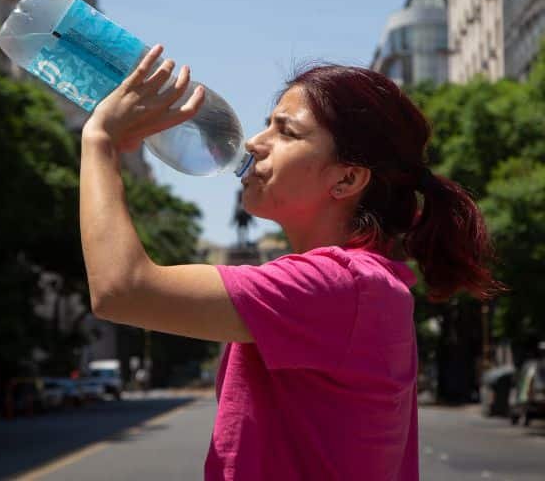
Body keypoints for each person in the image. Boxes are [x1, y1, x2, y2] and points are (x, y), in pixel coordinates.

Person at [79, 45, 503, 480]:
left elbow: (122, 289)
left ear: (347, 177)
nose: (253, 143)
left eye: (286, 132)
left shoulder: (338, 285)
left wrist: (100, 142)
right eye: (268, 125)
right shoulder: (361, 282)